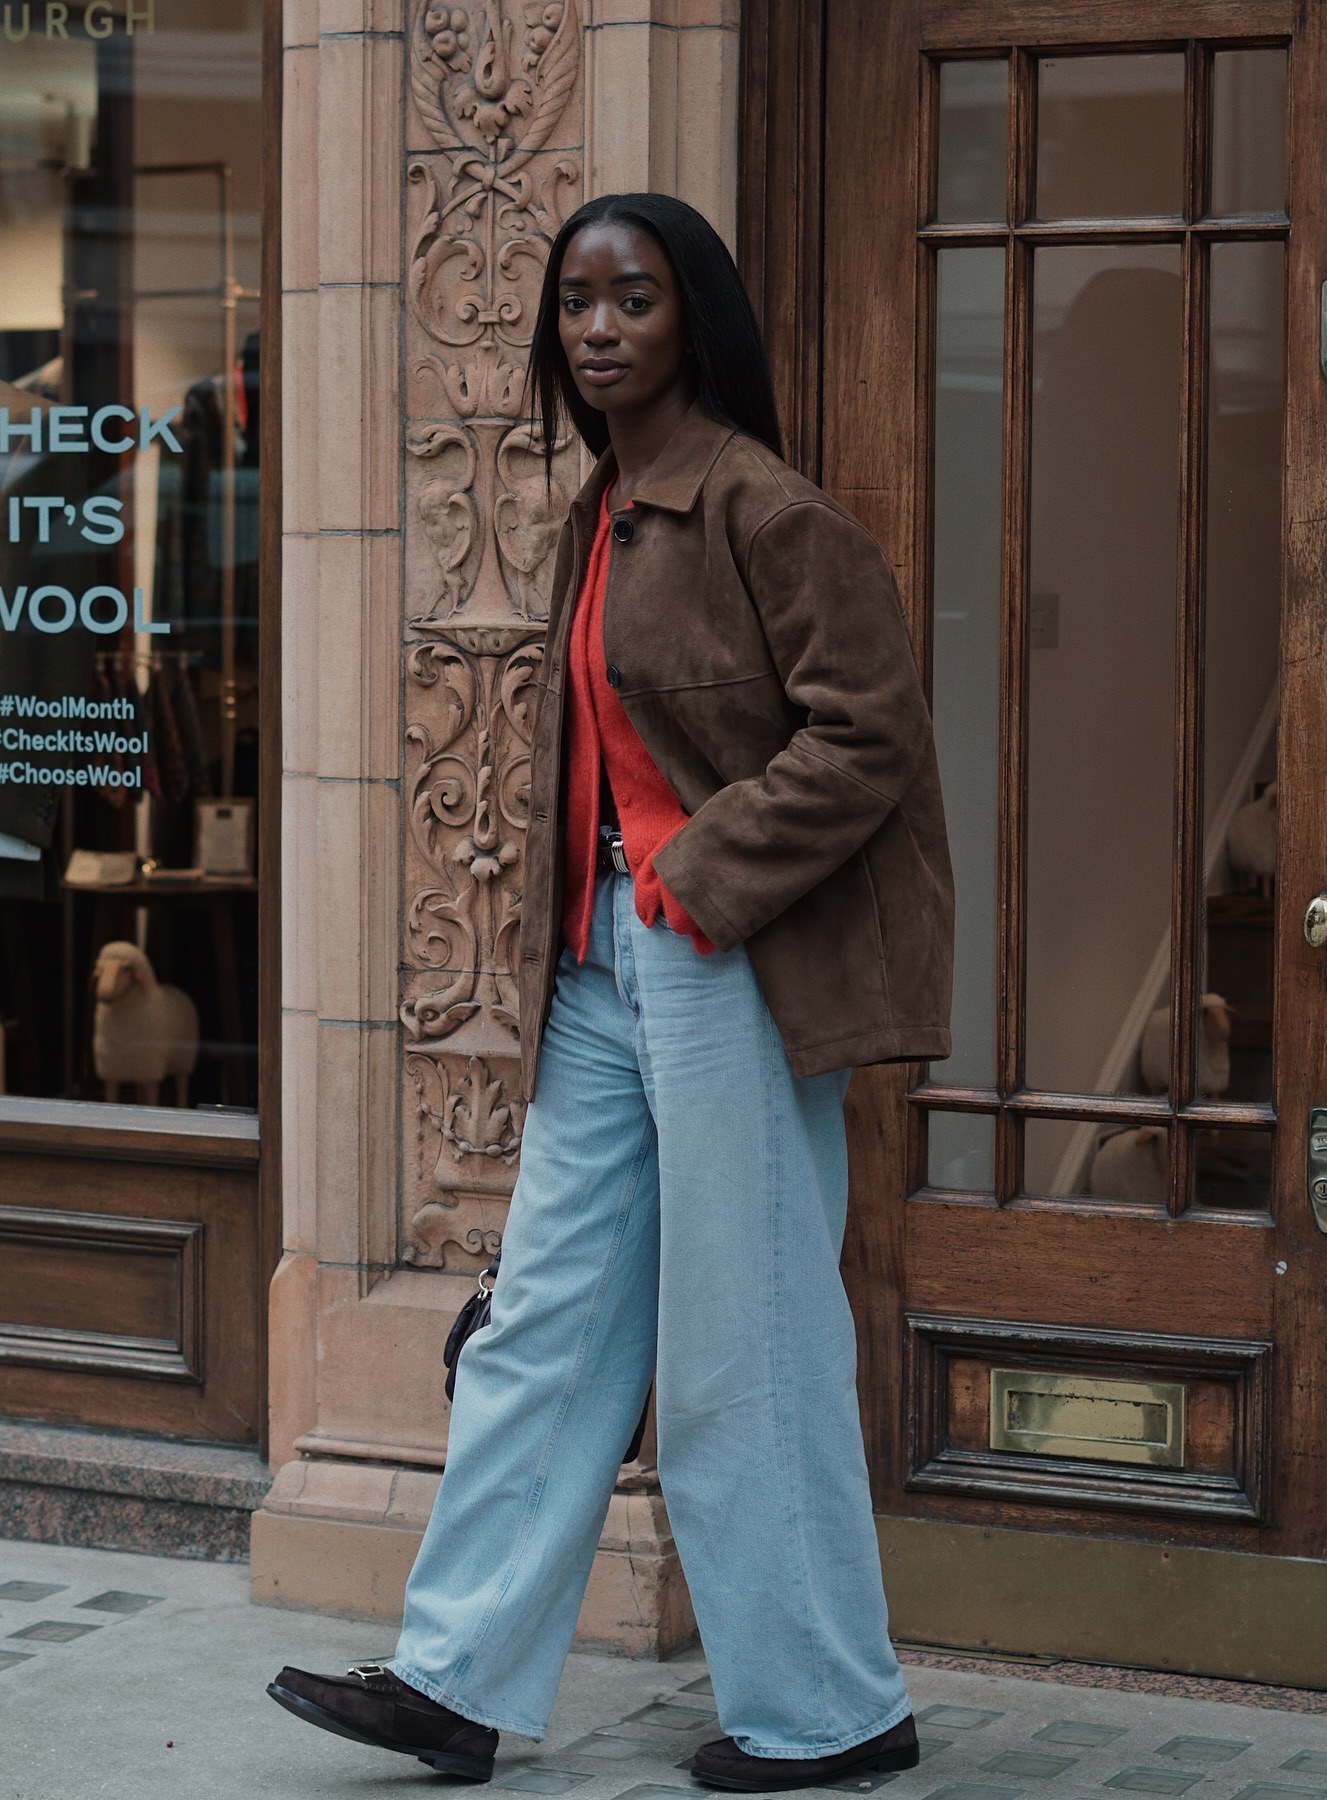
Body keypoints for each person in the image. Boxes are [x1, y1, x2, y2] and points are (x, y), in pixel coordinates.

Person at [267, 193, 954, 1789]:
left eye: (630, 299)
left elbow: (870, 738)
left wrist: (696, 871)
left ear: (691, 317)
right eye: (574, 301)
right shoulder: (605, 508)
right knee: (544, 1326)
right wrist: (607, 903)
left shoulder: (767, 512)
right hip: (598, 966)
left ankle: (831, 1710)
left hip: (724, 966)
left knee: (745, 1343)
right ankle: (454, 1679)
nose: (595, 328)